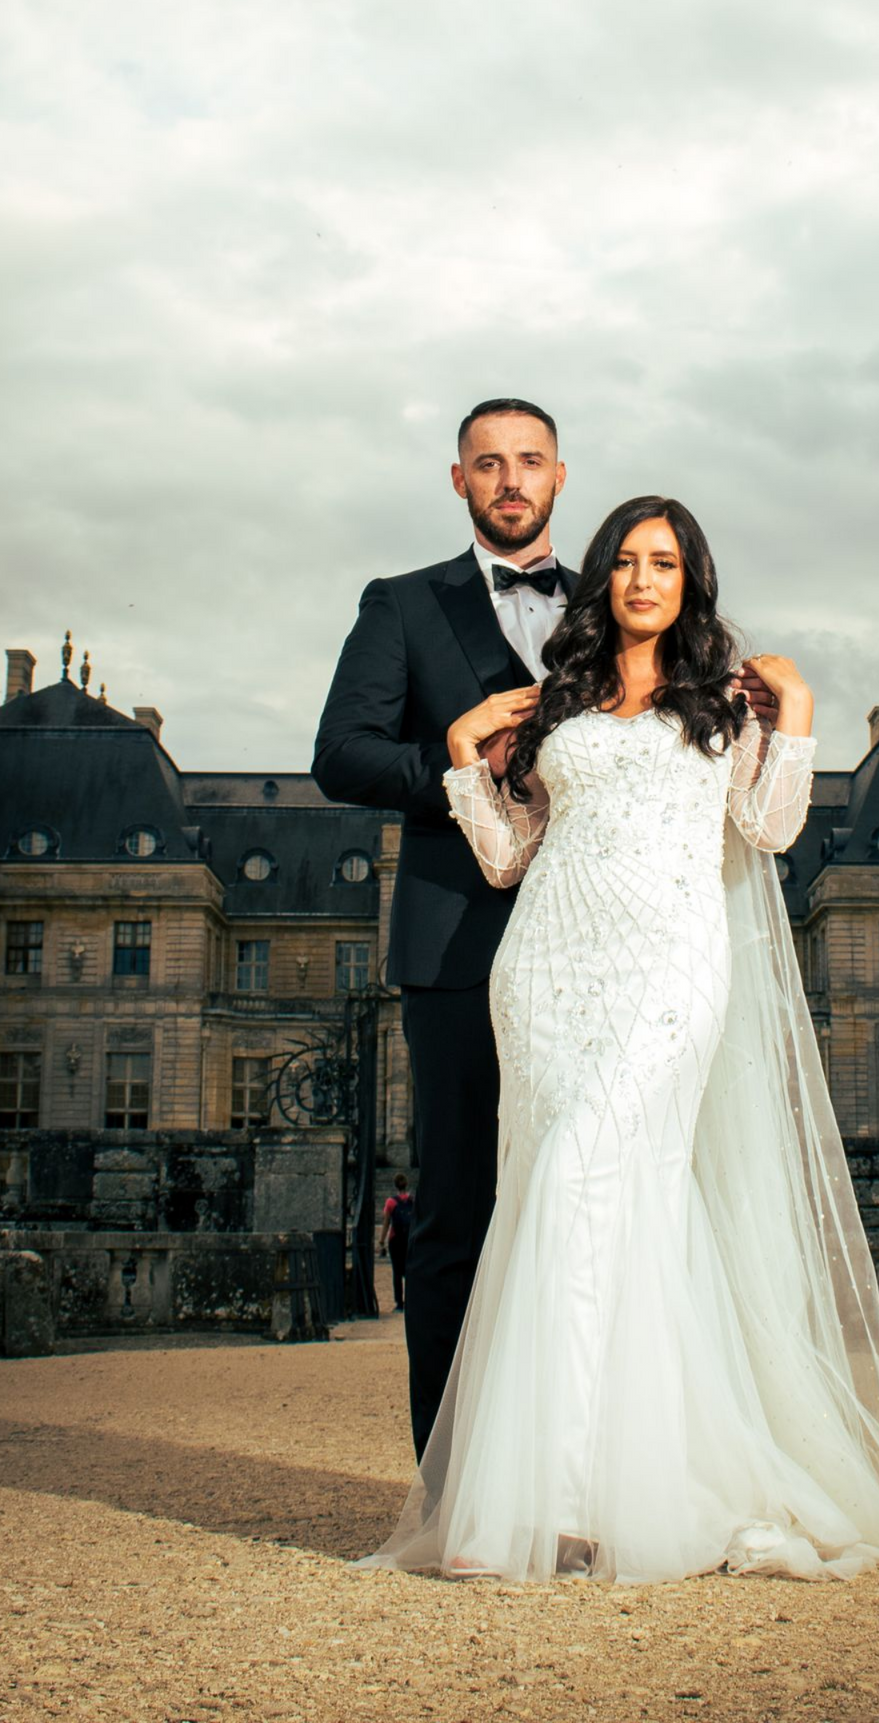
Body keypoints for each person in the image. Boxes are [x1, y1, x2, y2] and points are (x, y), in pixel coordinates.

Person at [357, 495, 879, 1583]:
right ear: (601, 579)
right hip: (544, 978)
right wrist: (462, 757)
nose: (644, 580)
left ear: (691, 584)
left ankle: (585, 1491)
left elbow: (772, 829)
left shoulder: (722, 709)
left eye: (666, 564)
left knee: (588, 1182)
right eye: (628, 562)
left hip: (667, 979)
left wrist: (800, 709)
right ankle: (573, 1491)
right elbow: (507, 857)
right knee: (576, 1200)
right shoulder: (554, 707)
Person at [312, 398, 574, 1459]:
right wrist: (461, 760)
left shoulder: (616, 602)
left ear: (560, 475)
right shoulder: (404, 604)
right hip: (459, 937)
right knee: (457, 1210)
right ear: (457, 480)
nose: (509, 480)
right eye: (487, 464)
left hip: (599, 936)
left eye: (528, 461)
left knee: (594, 1200)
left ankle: (576, 1467)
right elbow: (343, 755)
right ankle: (454, 1478)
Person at [382, 1173, 415, 1311]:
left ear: (395, 1185)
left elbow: (386, 1222)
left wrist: (381, 1240)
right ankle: (411, 1300)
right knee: (409, 1270)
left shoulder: (391, 1202)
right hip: (409, 1239)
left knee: (397, 1271)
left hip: (395, 1240)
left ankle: (399, 1303)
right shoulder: (412, 1200)